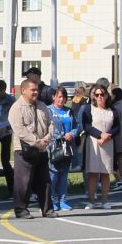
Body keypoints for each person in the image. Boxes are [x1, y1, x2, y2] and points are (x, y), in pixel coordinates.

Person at [9, 75, 58, 217]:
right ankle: (21, 209)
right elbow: (19, 130)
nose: (36, 92)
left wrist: (47, 138)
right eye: (33, 90)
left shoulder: (42, 106)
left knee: (45, 181)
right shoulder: (16, 108)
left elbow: (51, 123)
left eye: (37, 90)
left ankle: (47, 209)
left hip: (42, 149)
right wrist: (37, 142)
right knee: (23, 181)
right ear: (23, 90)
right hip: (24, 149)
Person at [79, 83, 120, 209]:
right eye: (97, 95)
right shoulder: (88, 109)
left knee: (105, 172)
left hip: (108, 143)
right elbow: (86, 126)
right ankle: (91, 201)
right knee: (93, 173)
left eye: (102, 94)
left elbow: (117, 127)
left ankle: (105, 200)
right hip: (93, 143)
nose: (100, 97)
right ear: (94, 97)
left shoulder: (113, 111)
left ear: (107, 96)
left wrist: (107, 136)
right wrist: (100, 135)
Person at [45, 84, 77, 213]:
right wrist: (58, 136)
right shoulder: (48, 110)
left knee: (64, 175)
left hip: (67, 148)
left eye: (64, 97)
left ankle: (63, 200)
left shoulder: (69, 111)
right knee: (53, 175)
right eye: (59, 97)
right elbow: (44, 126)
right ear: (53, 97)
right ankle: (52, 201)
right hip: (53, 147)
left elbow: (75, 126)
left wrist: (72, 134)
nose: (61, 100)